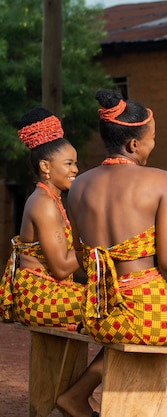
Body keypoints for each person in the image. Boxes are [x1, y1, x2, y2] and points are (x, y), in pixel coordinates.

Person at [57, 89, 167, 417]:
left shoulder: (79, 186)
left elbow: (84, 257)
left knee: (159, 322)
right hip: (141, 308)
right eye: (152, 138)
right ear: (134, 144)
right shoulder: (160, 181)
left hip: (98, 311)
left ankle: (79, 396)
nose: (154, 145)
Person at [0, 108, 84, 328]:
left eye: (75, 163)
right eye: (68, 163)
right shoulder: (44, 204)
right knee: (113, 304)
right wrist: (99, 246)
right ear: (45, 166)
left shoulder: (52, 200)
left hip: (52, 292)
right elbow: (61, 268)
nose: (75, 169)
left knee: (117, 300)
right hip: (39, 298)